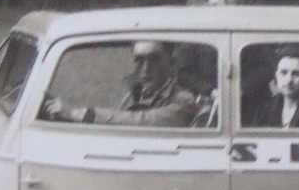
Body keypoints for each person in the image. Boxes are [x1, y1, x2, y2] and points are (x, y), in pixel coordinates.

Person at [42, 40, 205, 127]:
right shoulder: (135, 94)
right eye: (139, 60)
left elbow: (140, 121)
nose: (146, 68)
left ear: (171, 63)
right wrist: (65, 116)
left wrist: (80, 114)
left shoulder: (183, 101)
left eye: (154, 60)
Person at [247, 46, 299, 128]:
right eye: (284, 73)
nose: (289, 80)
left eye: (296, 74)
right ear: (276, 76)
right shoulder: (264, 111)